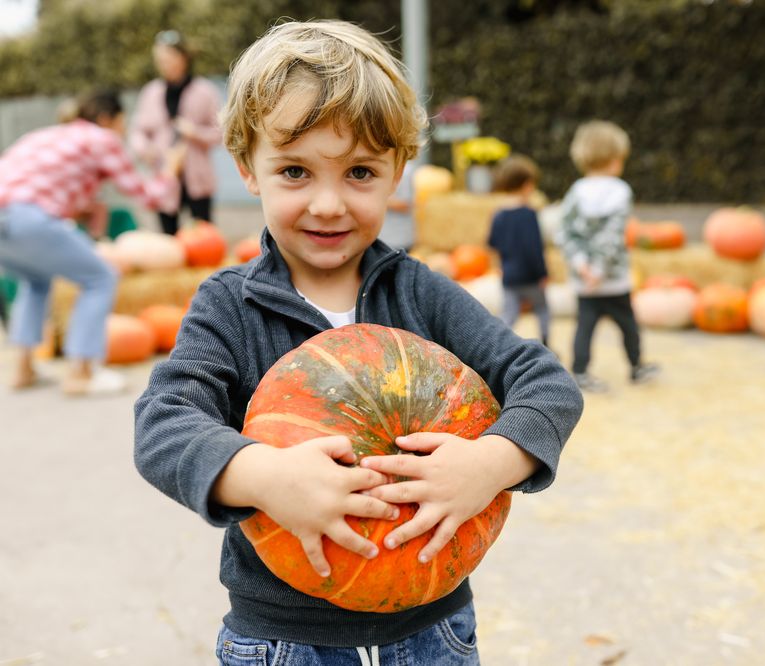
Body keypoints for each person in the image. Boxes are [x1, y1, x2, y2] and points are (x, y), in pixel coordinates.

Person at [132, 20, 583, 664]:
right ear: (248, 169)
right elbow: (164, 423)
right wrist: (263, 475)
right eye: (295, 171)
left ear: (398, 172)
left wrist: (491, 464)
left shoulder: (421, 293)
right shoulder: (230, 306)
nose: (328, 204)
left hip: (433, 630)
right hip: (284, 639)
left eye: (360, 172)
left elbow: (547, 383)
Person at [0, 90, 182, 395]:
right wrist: (170, 171)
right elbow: (148, 195)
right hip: (28, 217)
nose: (123, 132)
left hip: (8, 219)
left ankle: (23, 369)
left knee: (36, 280)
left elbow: (44, 188)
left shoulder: (49, 134)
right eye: (122, 123)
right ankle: (81, 373)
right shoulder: (102, 138)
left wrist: (85, 209)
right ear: (106, 119)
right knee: (100, 277)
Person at [557, 120, 659, 393]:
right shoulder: (620, 191)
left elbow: (564, 231)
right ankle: (636, 367)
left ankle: (580, 372)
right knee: (628, 325)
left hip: (584, 280)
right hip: (613, 279)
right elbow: (613, 236)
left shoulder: (576, 192)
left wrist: (582, 265)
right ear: (615, 160)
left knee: (584, 327)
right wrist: (600, 270)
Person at [129, 29, 222, 235]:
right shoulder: (151, 92)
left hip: (197, 177)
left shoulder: (205, 91)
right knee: (167, 235)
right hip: (164, 173)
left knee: (203, 233)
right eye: (161, 60)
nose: (166, 64)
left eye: (170, 58)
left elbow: (221, 133)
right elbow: (137, 131)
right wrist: (145, 149)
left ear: (184, 58)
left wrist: (194, 132)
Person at [487, 154, 551, 346]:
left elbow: (492, 244)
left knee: (509, 313)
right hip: (530, 276)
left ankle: (497, 344)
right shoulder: (529, 214)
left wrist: (500, 266)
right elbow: (534, 248)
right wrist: (542, 273)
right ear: (526, 184)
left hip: (509, 275)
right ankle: (546, 342)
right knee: (542, 309)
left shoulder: (498, 215)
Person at [377, 159, 416, 251]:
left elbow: (406, 204)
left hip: (398, 238)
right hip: (385, 237)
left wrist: (378, 198)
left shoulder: (406, 172)